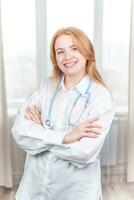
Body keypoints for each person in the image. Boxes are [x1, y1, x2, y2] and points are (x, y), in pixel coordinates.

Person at [11, 27, 115, 200]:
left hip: (75, 191)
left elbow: (84, 152)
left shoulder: (101, 97)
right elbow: (19, 132)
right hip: (33, 189)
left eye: (74, 48)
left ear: (87, 52)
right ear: (55, 59)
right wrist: (68, 136)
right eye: (60, 52)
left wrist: (40, 134)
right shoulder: (45, 88)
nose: (67, 57)